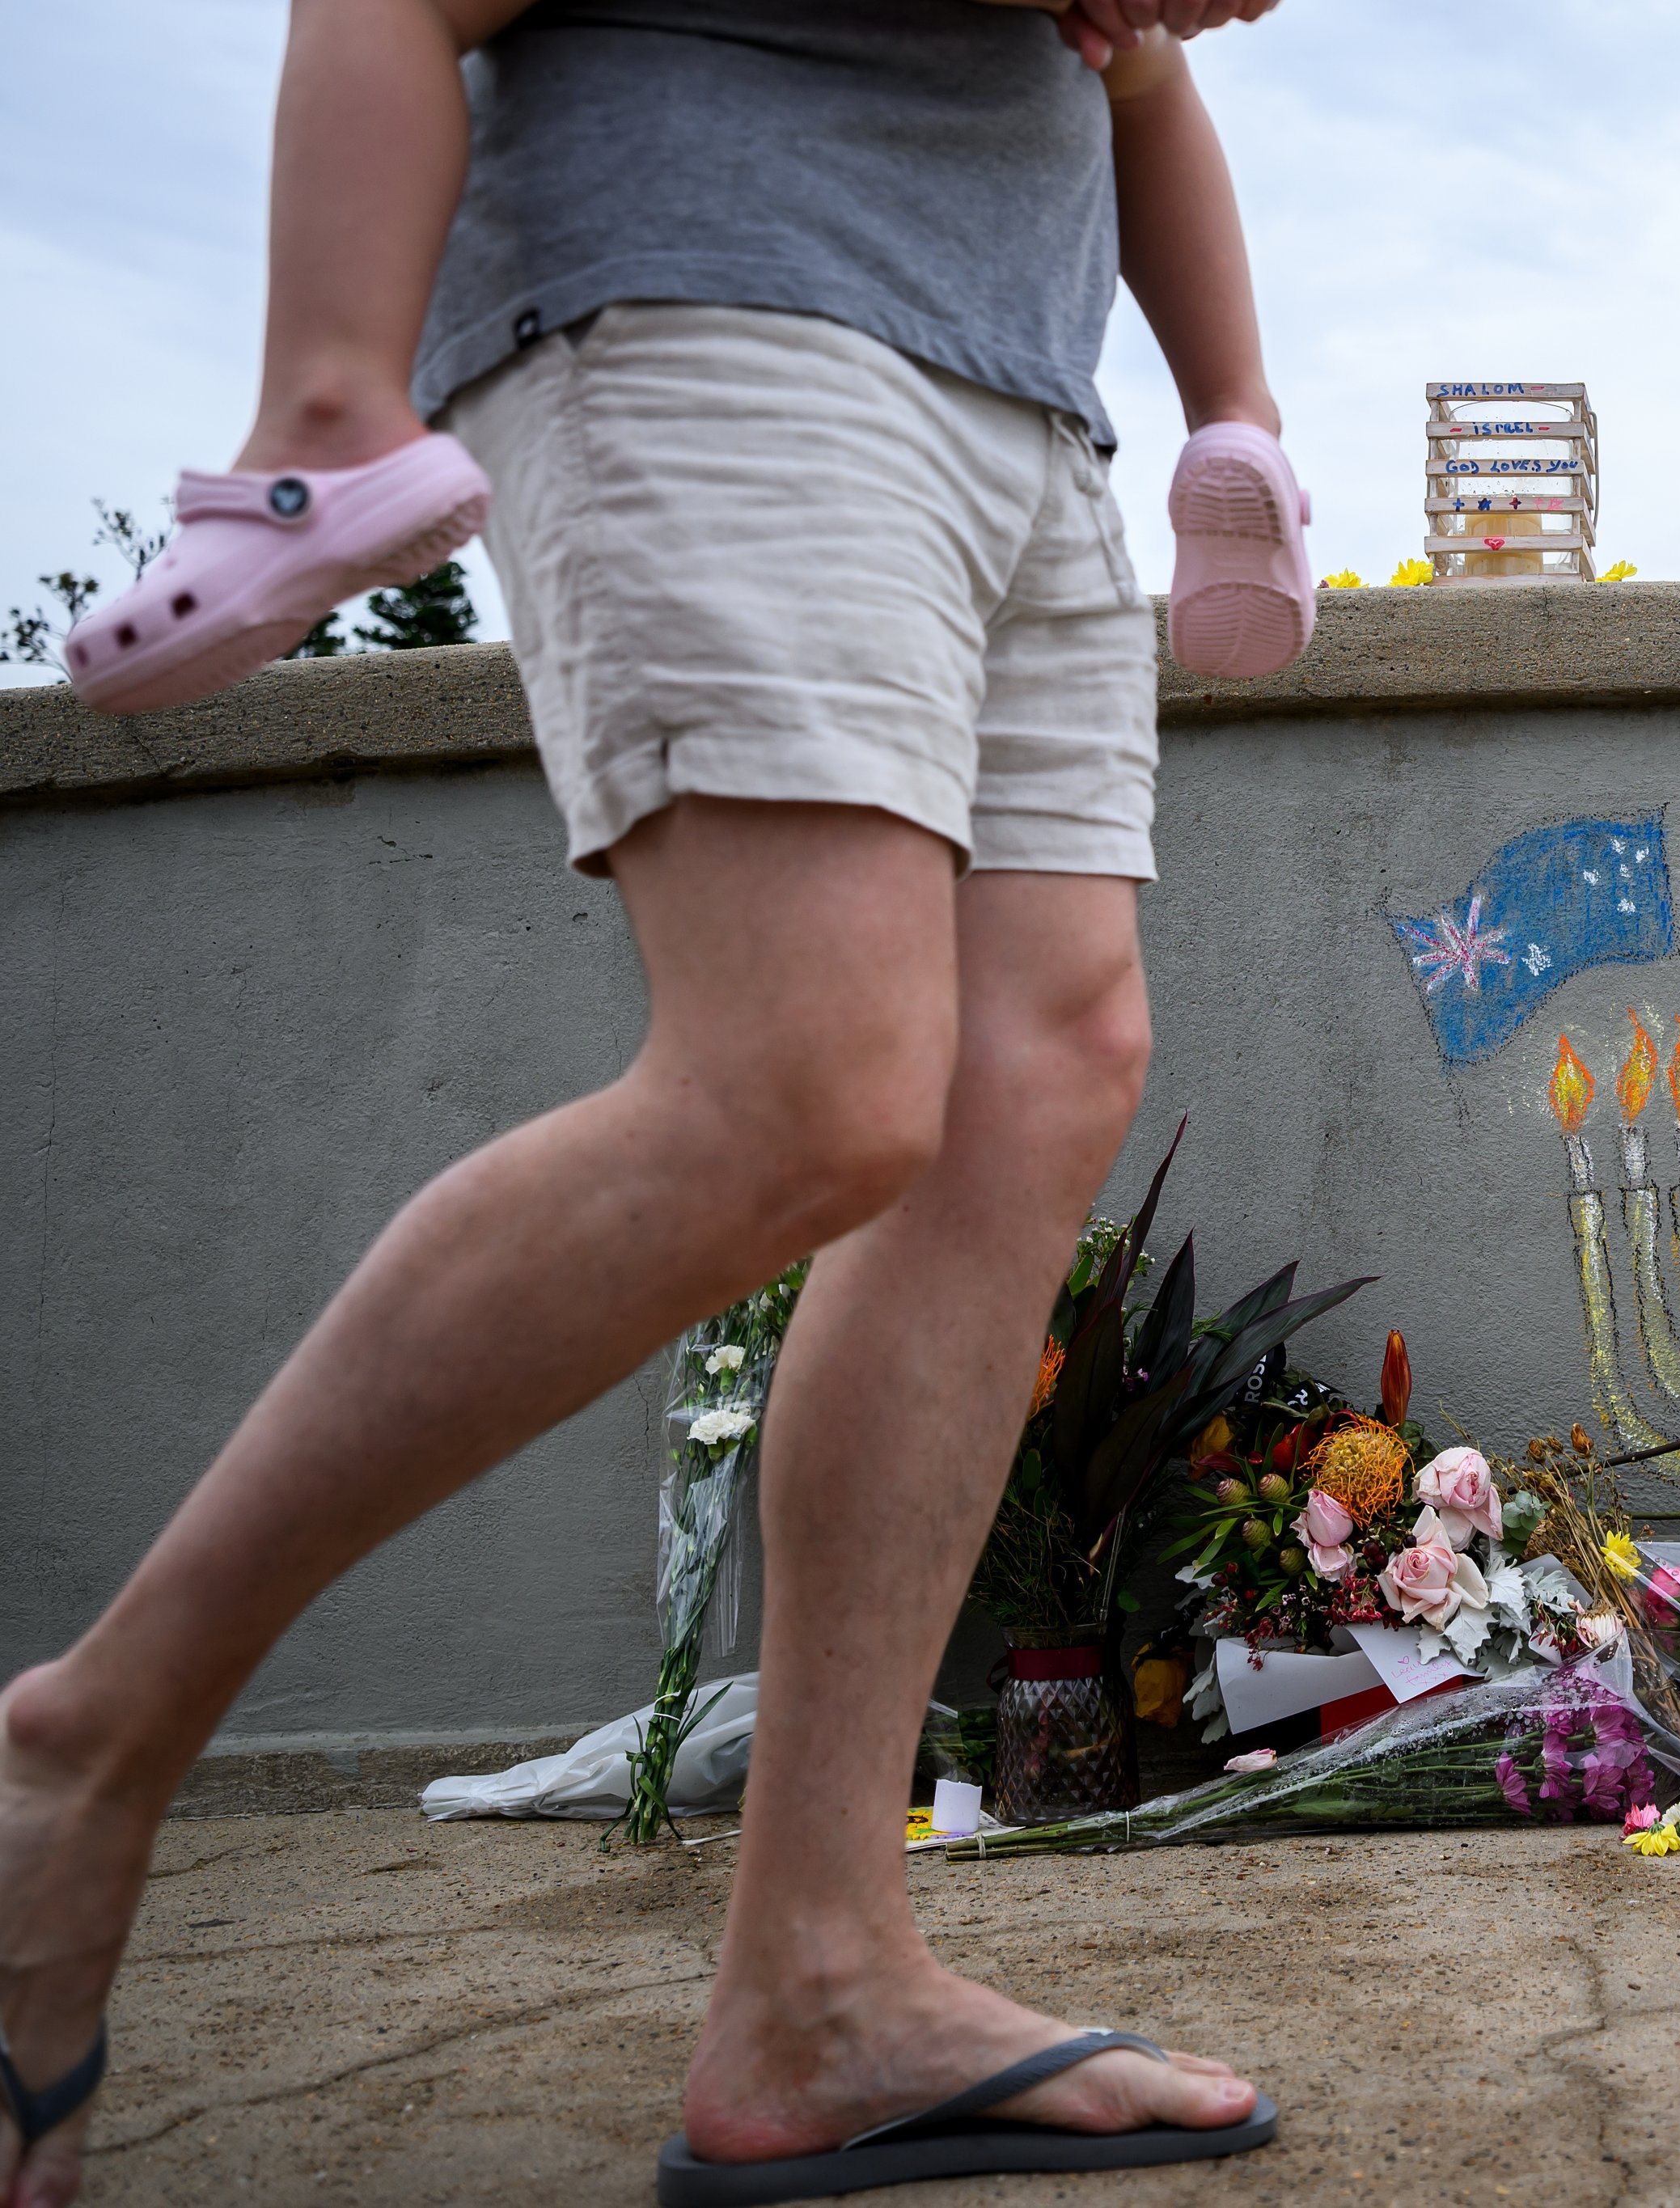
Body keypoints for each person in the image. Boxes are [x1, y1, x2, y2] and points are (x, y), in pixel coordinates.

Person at [4, 1, 1313, 2200]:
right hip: (719, 291)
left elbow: (1149, 75)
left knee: (1037, 1086)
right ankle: (82, 1743)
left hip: (1020, 371)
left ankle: (819, 1976)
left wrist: (1232, 398)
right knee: (804, 1084)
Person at [56, 0, 1314, 711]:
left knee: (1059, 1051)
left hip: (1019, 364)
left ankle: (327, 410)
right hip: (733, 298)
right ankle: (1238, 417)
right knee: (1148, 75)